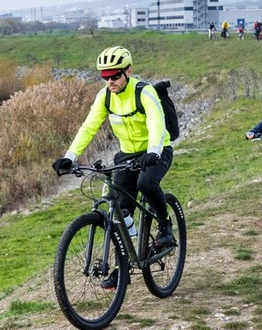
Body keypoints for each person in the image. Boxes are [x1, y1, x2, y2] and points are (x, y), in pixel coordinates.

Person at [53, 47, 175, 280]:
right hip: (127, 155)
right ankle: (126, 264)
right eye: (105, 77)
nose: (110, 81)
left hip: (157, 150)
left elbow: (157, 124)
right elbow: (89, 127)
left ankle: (165, 225)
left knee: (146, 183)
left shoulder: (145, 92)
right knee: (117, 208)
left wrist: (153, 151)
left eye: (115, 76)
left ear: (128, 71)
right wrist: (70, 156)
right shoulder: (105, 96)